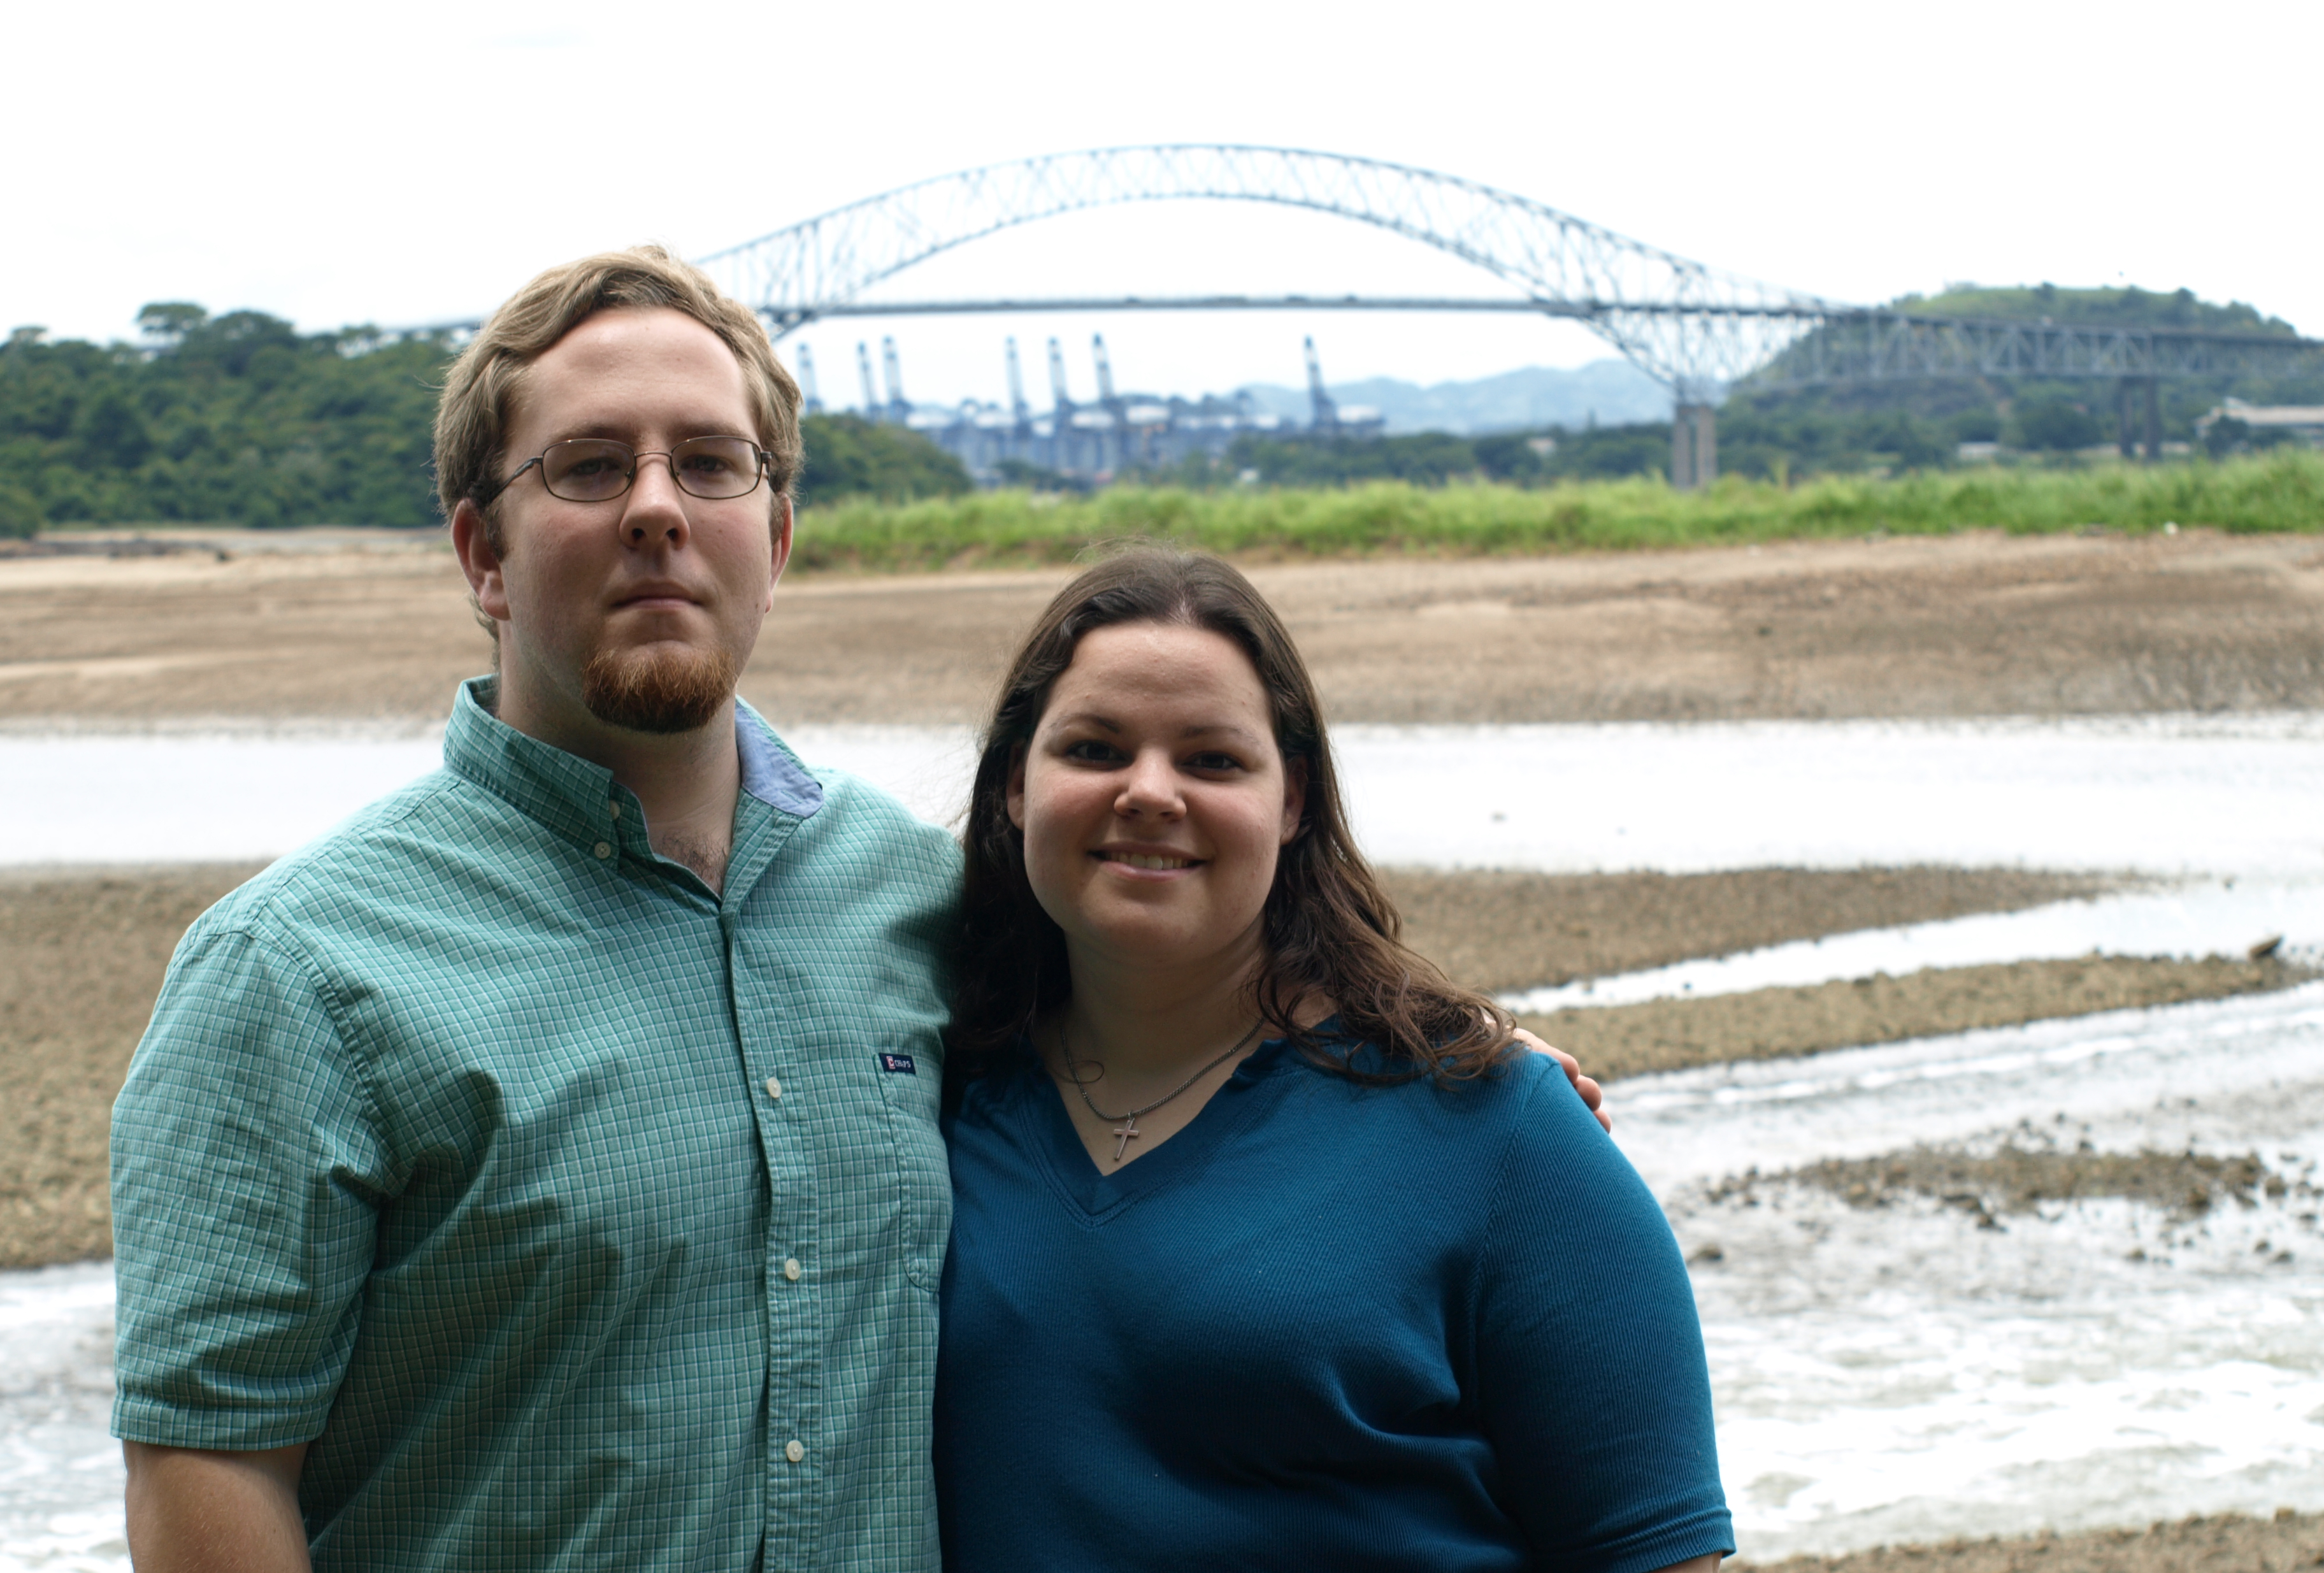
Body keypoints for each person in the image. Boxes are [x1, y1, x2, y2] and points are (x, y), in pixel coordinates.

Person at [110, 247, 958, 1569]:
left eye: (711, 463)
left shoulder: (917, 896)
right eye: (590, 466)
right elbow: (205, 1466)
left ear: (777, 539)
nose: (658, 508)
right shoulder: (293, 971)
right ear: (483, 554)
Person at [933, 546, 1731, 1572]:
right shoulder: (926, 1089)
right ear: (1014, 783)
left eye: (1213, 760)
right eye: (1094, 749)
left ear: (1294, 801)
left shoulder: (1497, 1127)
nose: (1149, 792)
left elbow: (1654, 1549)